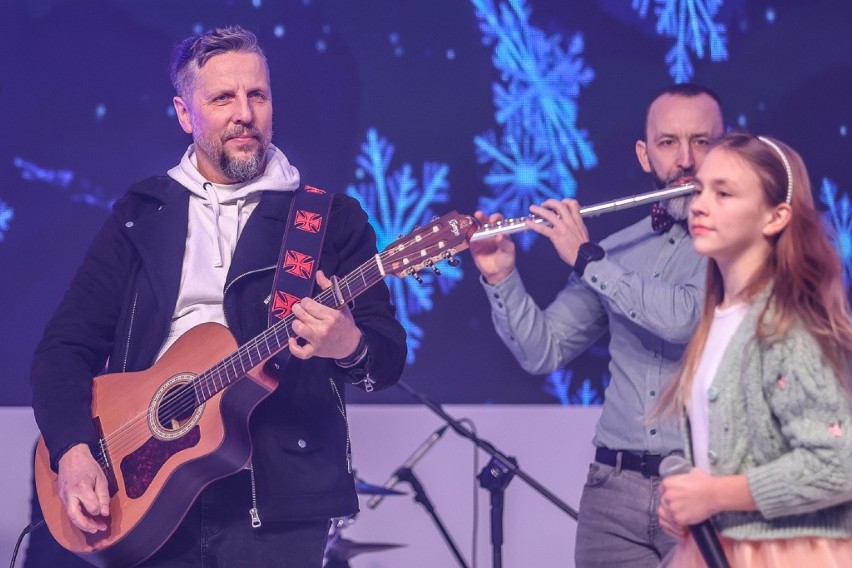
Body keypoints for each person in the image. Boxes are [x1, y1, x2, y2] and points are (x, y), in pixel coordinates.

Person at [29, 25, 406, 567]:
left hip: (277, 505)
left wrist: (348, 344)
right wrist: (71, 447)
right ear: (185, 114)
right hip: (141, 491)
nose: (245, 114)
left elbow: (386, 360)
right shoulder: (140, 215)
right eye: (222, 98)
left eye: (257, 94)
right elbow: (63, 348)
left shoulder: (329, 221)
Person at [469, 83, 725, 567]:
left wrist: (588, 258)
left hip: (702, 485)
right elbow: (542, 351)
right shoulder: (621, 248)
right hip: (612, 491)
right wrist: (502, 277)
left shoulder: (737, 246)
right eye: (668, 143)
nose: (686, 160)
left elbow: (682, 319)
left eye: (703, 142)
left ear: (726, 151)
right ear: (645, 155)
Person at [657, 131, 852, 566]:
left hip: (789, 554)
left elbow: (840, 464)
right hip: (718, 549)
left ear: (775, 217)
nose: (699, 205)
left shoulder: (787, 326)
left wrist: (714, 494)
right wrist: (685, 498)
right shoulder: (716, 321)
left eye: (723, 193)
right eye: (699, 190)